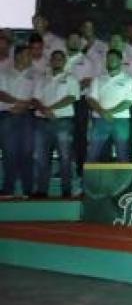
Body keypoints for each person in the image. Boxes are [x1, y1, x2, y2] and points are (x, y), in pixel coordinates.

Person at [32, 51, 80, 198]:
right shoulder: (42, 79)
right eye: (54, 59)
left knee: (65, 158)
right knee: (41, 158)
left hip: (63, 122)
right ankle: (42, 190)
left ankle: (66, 191)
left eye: (60, 59)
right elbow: (35, 99)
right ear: (50, 61)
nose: (57, 61)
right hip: (41, 122)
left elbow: (71, 97)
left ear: (64, 62)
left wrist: (50, 108)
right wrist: (44, 110)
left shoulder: (71, 78)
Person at [87, 49, 132, 162]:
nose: (110, 61)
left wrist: (109, 112)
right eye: (108, 59)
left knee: (123, 154)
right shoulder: (98, 79)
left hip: (121, 120)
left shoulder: (128, 80)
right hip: (100, 119)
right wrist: (102, 112)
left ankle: (125, 174)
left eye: (114, 59)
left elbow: (128, 102)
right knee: (92, 153)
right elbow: (91, 99)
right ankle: (89, 174)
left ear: (120, 61)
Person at [0, 46, 37, 198]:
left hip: (28, 116)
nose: (31, 58)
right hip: (7, 115)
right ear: (18, 56)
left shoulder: (36, 75)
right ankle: (8, 189)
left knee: (27, 153)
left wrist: (24, 105)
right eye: (28, 55)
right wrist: (18, 102)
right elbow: (1, 93)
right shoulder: (4, 72)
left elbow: (37, 97)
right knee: (9, 153)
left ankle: (28, 190)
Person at [65, 33, 96, 175]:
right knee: (63, 136)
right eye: (72, 39)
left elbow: (87, 81)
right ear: (66, 41)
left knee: (80, 135)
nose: (75, 42)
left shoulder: (86, 61)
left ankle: (80, 168)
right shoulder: (60, 58)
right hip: (59, 103)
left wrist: (68, 90)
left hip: (79, 102)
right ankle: (64, 167)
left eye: (77, 40)